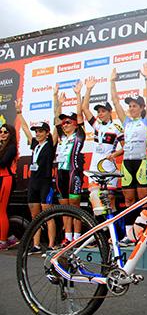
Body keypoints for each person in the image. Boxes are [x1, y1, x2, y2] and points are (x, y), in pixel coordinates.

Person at [110, 64, 147, 245]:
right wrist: (112, 81)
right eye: (130, 106)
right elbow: (115, 101)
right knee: (128, 199)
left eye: (135, 105)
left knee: (143, 199)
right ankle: (129, 235)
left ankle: (144, 233)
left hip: (141, 162)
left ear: (142, 108)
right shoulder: (126, 121)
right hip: (127, 163)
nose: (131, 108)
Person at [15, 100, 56, 254]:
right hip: (33, 183)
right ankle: (36, 244)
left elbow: (56, 127)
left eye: (40, 131)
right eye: (36, 131)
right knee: (35, 215)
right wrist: (19, 113)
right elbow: (25, 128)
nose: (37, 133)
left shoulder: (50, 144)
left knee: (48, 214)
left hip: (45, 183)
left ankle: (51, 245)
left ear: (47, 133)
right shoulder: (35, 145)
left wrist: (57, 104)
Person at [82, 77, 124, 215]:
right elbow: (84, 108)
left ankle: (114, 235)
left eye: (103, 111)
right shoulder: (97, 126)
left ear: (109, 112)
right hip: (94, 168)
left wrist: (114, 155)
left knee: (110, 201)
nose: (100, 114)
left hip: (109, 169)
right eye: (98, 111)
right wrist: (88, 89)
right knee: (96, 202)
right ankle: (102, 232)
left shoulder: (116, 127)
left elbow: (125, 147)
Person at [53, 82, 86, 247]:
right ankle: (67, 237)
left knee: (75, 206)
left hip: (74, 173)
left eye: (67, 122)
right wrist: (57, 100)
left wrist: (78, 95)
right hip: (61, 173)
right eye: (63, 123)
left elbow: (80, 115)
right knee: (64, 207)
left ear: (74, 124)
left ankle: (77, 237)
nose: (64, 125)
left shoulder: (79, 135)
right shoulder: (62, 136)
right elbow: (55, 118)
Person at [0, 123, 19, 250]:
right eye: (0, 132)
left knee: (1, 210)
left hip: (6, 179)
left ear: (10, 134)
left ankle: (3, 241)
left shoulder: (11, 147)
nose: (2, 134)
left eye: (5, 132)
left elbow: (2, 163)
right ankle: (10, 237)